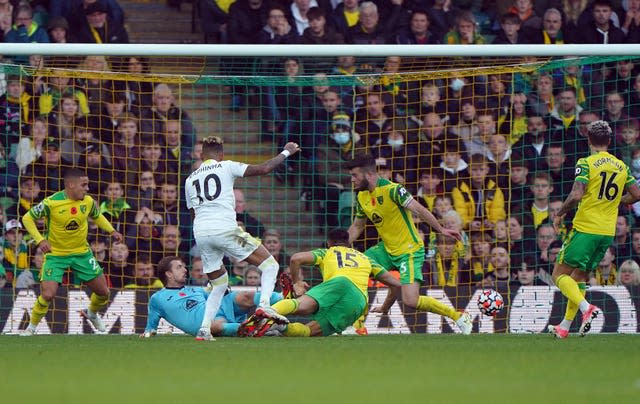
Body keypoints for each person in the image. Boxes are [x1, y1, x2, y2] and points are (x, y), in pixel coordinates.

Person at [184, 135, 300, 341]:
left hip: (201, 233)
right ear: (221, 154)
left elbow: (193, 213)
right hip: (225, 228)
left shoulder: (190, 179)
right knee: (270, 265)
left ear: (201, 156)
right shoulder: (226, 166)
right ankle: (264, 307)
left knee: (219, 284)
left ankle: (204, 329)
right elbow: (263, 169)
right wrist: (286, 152)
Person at [343, 154, 473, 334]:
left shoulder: (394, 190)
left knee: (411, 301)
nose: (351, 180)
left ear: (369, 175)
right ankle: (357, 327)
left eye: (355, 175)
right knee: (355, 268)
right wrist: (339, 248)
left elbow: (419, 209)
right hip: (386, 249)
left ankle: (458, 316)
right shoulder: (362, 196)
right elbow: (357, 226)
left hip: (409, 250)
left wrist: (440, 229)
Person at [548, 121, 640, 339]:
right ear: (609, 141)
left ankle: (587, 308)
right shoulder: (621, 166)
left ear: (589, 139)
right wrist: (616, 200)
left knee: (559, 275)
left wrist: (560, 213)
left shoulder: (586, 163)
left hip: (585, 227)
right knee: (579, 276)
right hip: (607, 232)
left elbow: (577, 194)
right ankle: (564, 327)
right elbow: (636, 195)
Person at [240, 228, 401, 337]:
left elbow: (296, 259)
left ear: (329, 242)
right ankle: (279, 327)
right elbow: (395, 284)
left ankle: (267, 312)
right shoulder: (366, 259)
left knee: (300, 306)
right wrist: (385, 307)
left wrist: (297, 282)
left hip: (339, 282)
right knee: (309, 331)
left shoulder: (327, 252)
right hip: (358, 301)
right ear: (349, 243)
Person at [20, 168, 124, 336]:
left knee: (104, 292)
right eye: (84, 185)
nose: (87, 188)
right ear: (71, 185)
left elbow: (97, 216)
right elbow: (27, 218)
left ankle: (91, 312)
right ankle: (30, 328)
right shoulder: (51, 203)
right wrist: (40, 240)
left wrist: (112, 231)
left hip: (82, 253)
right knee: (47, 294)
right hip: (56, 254)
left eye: (87, 184)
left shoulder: (88, 201)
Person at [141, 256, 282, 339]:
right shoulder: (157, 299)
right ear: (168, 274)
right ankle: (262, 328)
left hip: (220, 307)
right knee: (215, 327)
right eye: (179, 267)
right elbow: (150, 327)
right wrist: (148, 332)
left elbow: (213, 294)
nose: (185, 270)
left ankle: (283, 296)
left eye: (184, 267)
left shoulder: (194, 289)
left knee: (246, 296)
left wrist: (219, 288)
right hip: (209, 322)